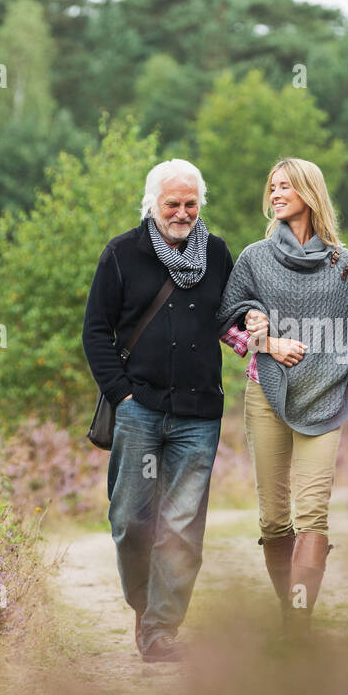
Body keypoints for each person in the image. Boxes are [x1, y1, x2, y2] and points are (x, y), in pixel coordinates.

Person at [217, 157, 348, 633]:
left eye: (285, 187)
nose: (275, 195)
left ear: (308, 193)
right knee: (275, 519)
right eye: (271, 187)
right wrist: (267, 341)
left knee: (312, 512)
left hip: (325, 399)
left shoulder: (342, 263)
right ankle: (286, 608)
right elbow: (226, 323)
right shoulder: (254, 257)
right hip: (267, 394)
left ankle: (298, 623)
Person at [82, 159, 234, 662]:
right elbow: (96, 333)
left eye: (191, 203)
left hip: (199, 414)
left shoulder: (217, 254)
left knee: (182, 526)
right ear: (153, 204)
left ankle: (161, 631)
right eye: (173, 203)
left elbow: (231, 317)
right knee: (131, 520)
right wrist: (121, 394)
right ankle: (145, 609)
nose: (183, 212)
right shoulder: (122, 254)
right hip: (139, 409)